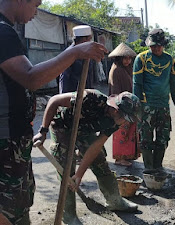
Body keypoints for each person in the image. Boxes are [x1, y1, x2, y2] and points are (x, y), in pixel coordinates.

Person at [0, 0, 107, 223]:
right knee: (10, 210)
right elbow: (31, 78)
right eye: (35, 4)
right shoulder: (2, 32)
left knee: (18, 204)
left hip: (14, 139)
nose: (35, 12)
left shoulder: (7, 31)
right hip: (6, 140)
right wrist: (75, 53)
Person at [33, 90, 141, 224]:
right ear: (115, 110)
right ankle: (69, 215)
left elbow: (95, 147)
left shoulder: (116, 121)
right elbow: (54, 100)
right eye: (125, 117)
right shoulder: (90, 98)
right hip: (63, 126)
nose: (125, 122)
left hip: (84, 130)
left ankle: (114, 201)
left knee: (100, 162)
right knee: (66, 171)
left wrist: (79, 174)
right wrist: (42, 132)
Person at [133, 28, 175, 173]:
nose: (156, 48)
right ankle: (148, 168)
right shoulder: (141, 59)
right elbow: (137, 84)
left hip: (163, 106)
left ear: (163, 45)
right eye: (153, 45)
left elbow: (173, 83)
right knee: (146, 139)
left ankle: (158, 166)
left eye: (158, 45)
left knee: (163, 137)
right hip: (146, 106)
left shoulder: (169, 59)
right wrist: (136, 107)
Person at [108, 43, 139, 167]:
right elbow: (115, 90)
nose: (128, 60)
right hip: (121, 106)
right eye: (125, 58)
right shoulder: (117, 70)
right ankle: (120, 157)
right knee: (121, 132)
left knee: (129, 131)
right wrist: (119, 107)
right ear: (119, 58)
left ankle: (127, 155)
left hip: (128, 105)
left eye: (129, 58)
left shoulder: (126, 69)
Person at [59, 25, 96, 93]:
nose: (90, 41)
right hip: (72, 96)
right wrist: (63, 98)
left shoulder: (87, 52)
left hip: (86, 94)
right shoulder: (69, 54)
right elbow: (64, 79)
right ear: (84, 40)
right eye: (89, 39)